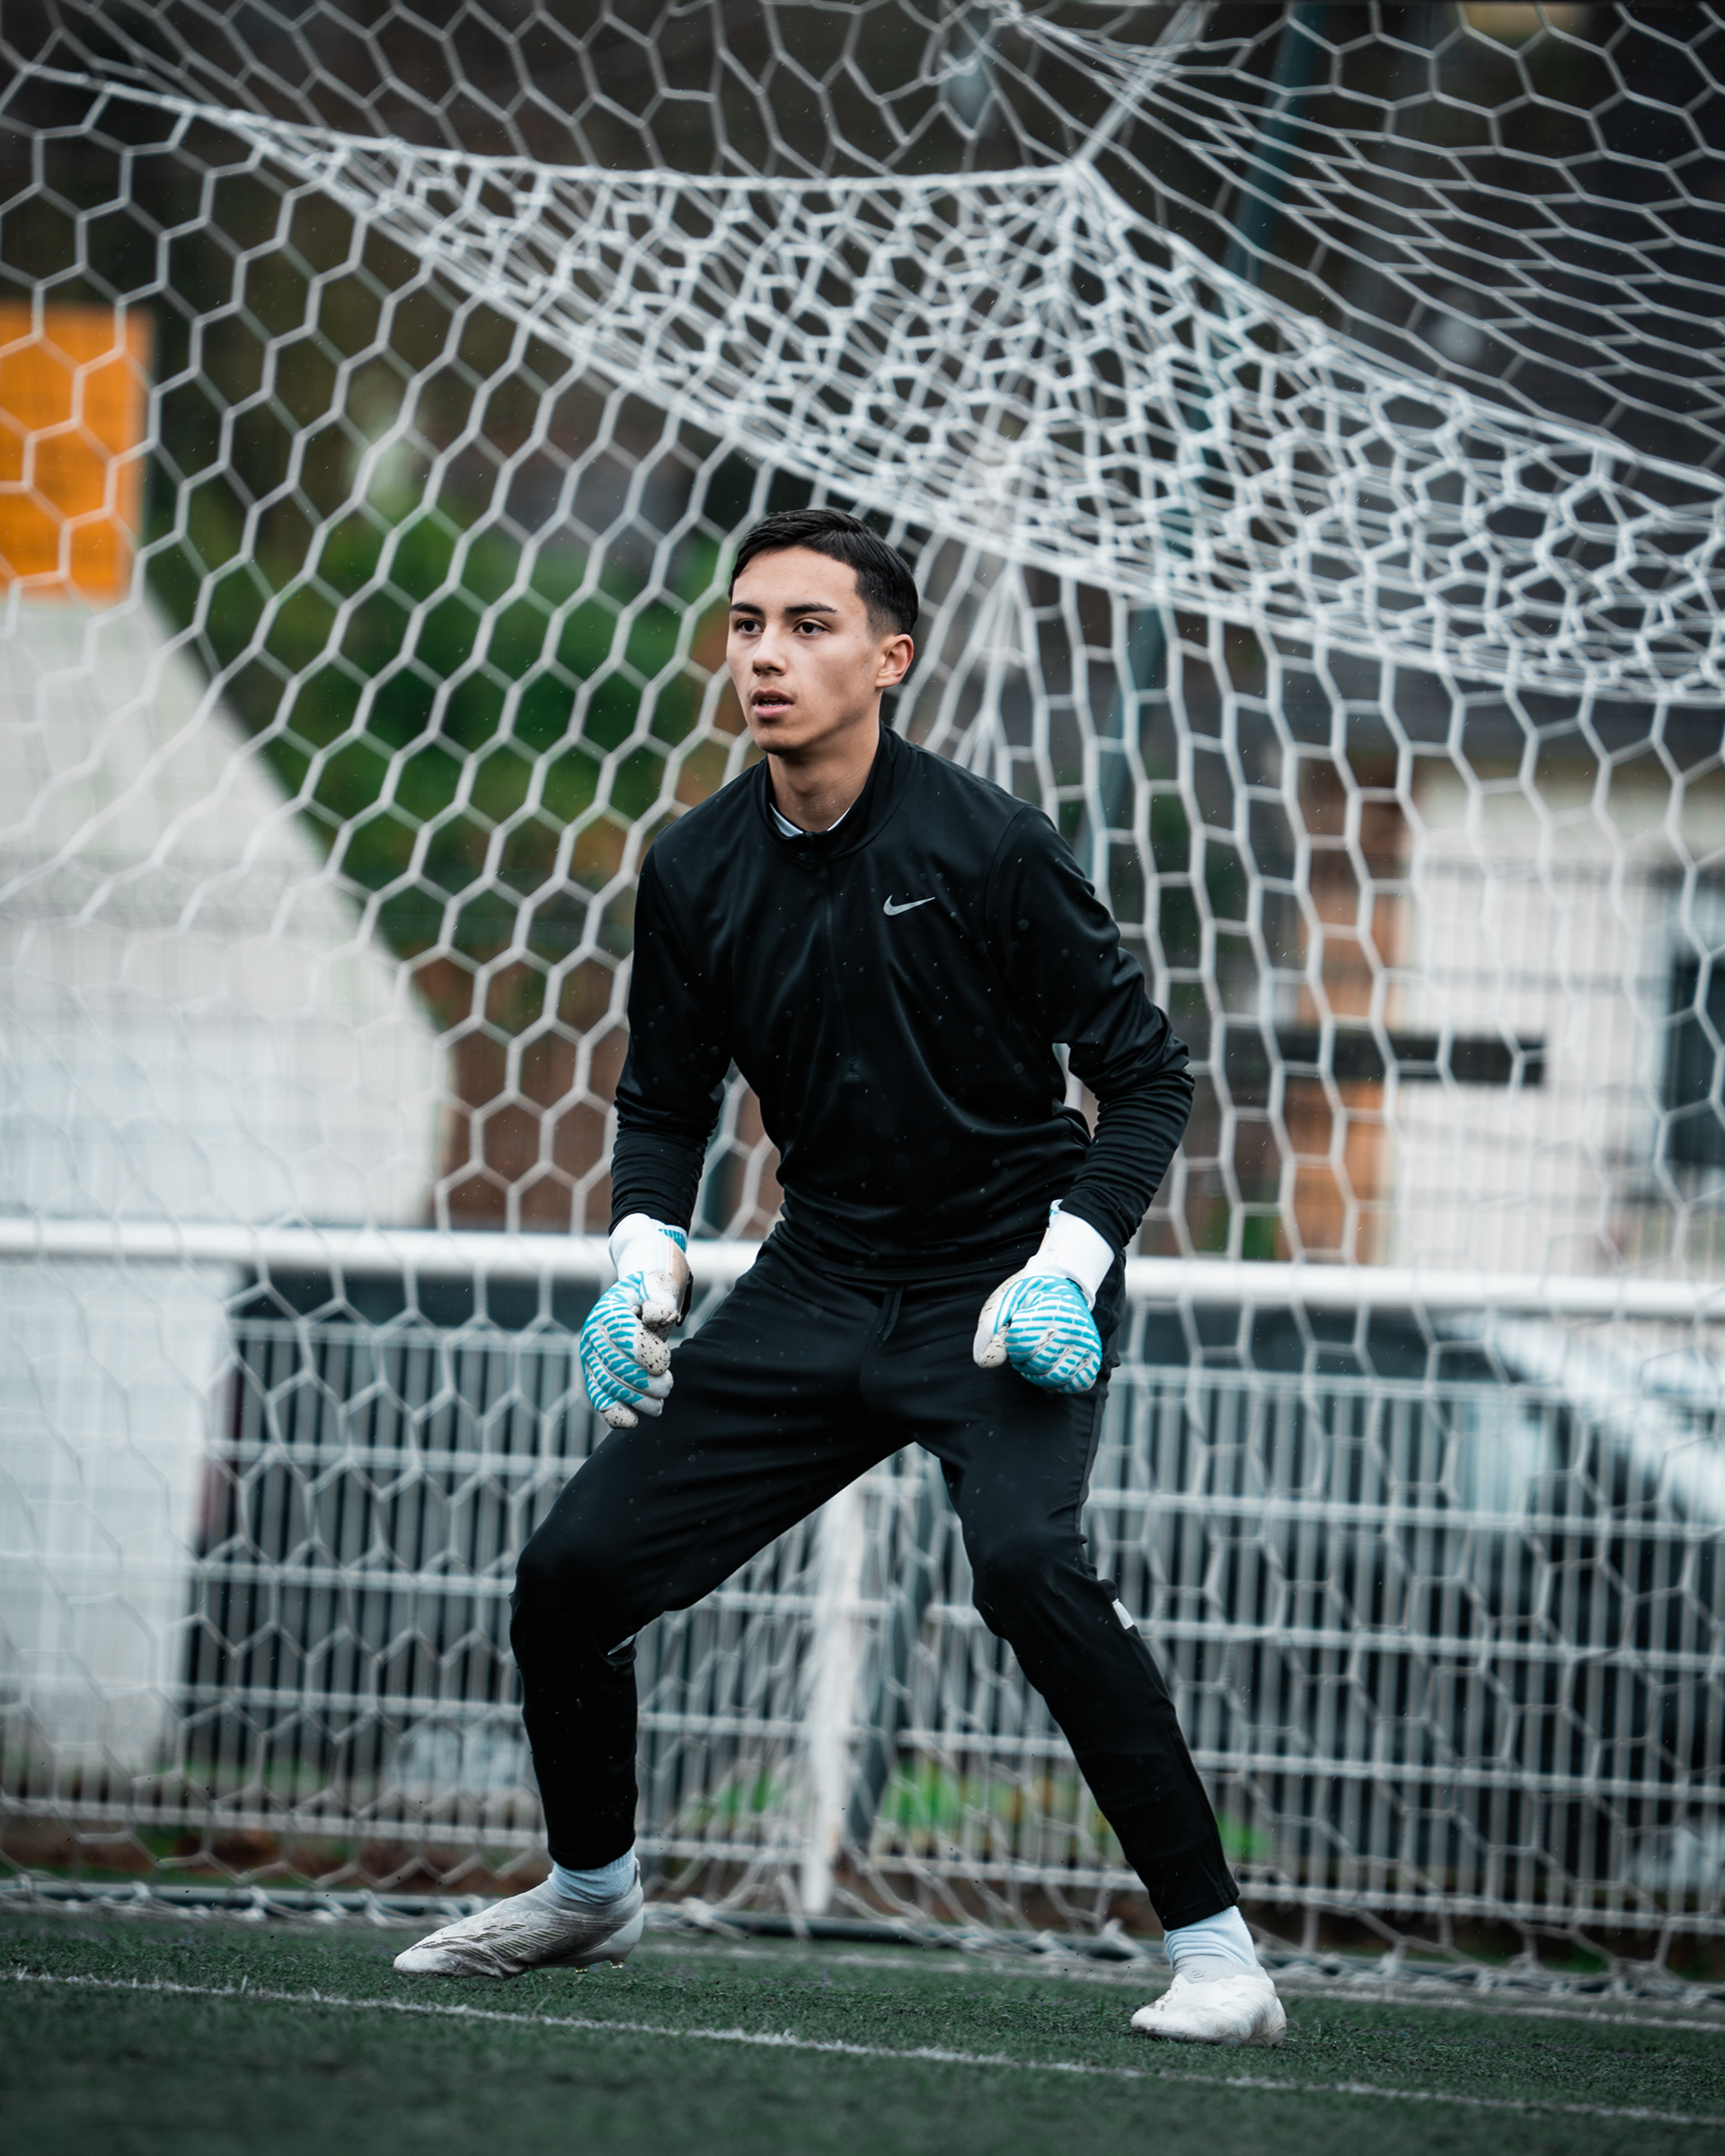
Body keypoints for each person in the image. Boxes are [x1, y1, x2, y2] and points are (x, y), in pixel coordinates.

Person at [394, 508, 1284, 2046]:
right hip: (820, 1276)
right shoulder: (693, 867)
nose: (768, 655)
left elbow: (1147, 1077)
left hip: (1002, 1284)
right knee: (569, 1575)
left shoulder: (990, 845)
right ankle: (593, 1893)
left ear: (890, 658)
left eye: (809, 626)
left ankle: (1223, 1962)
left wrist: (1070, 1264)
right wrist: (642, 1264)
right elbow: (663, 1103)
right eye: (748, 624)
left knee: (1026, 1566)